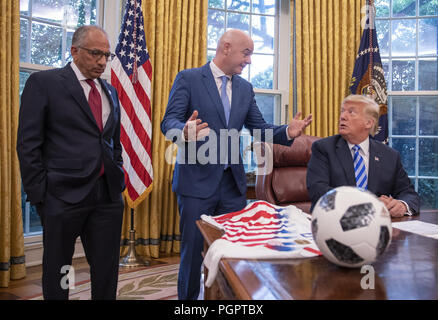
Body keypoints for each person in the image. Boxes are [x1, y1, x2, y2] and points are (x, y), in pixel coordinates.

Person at [161, 29, 312, 300]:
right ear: (226, 47)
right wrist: (183, 131)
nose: (249, 60)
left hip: (232, 186)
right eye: (247, 53)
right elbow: (168, 121)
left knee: (231, 254)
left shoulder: (245, 88)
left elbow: (260, 129)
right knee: (193, 253)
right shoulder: (189, 78)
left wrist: (288, 131)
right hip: (196, 183)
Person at [17, 25, 125, 300]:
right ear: (74, 51)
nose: (102, 61)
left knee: (106, 269)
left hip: (107, 197)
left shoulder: (110, 92)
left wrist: (118, 173)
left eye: (106, 55)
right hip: (61, 196)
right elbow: (28, 144)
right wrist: (41, 195)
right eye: (95, 54)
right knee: (60, 269)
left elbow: (114, 142)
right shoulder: (45, 84)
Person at [306, 94, 420, 216]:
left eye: (351, 112)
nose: (343, 117)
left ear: (368, 123)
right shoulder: (324, 148)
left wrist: (402, 205)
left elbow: (408, 193)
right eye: (342, 111)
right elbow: (318, 191)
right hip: (334, 222)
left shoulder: (389, 155)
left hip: (376, 226)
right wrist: (370, 203)